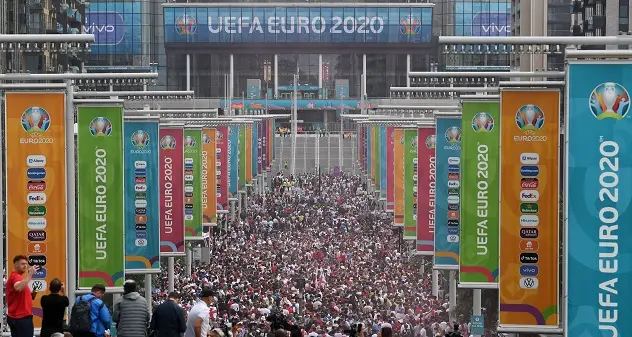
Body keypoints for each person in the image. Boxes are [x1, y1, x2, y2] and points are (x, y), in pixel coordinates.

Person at [6, 255, 37, 337]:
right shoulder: (15, 276)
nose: (25, 266)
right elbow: (18, 288)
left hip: (17, 317)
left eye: (26, 264)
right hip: (21, 317)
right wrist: (30, 275)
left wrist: (31, 295)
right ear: (16, 265)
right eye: (22, 264)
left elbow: (18, 293)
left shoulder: (19, 278)